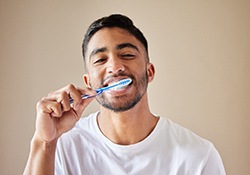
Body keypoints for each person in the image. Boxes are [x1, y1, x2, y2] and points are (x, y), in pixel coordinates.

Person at [24, 14, 226, 175]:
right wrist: (44, 143)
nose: (115, 67)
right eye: (100, 60)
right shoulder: (61, 146)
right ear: (88, 83)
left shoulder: (199, 157)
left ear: (150, 72)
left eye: (127, 55)